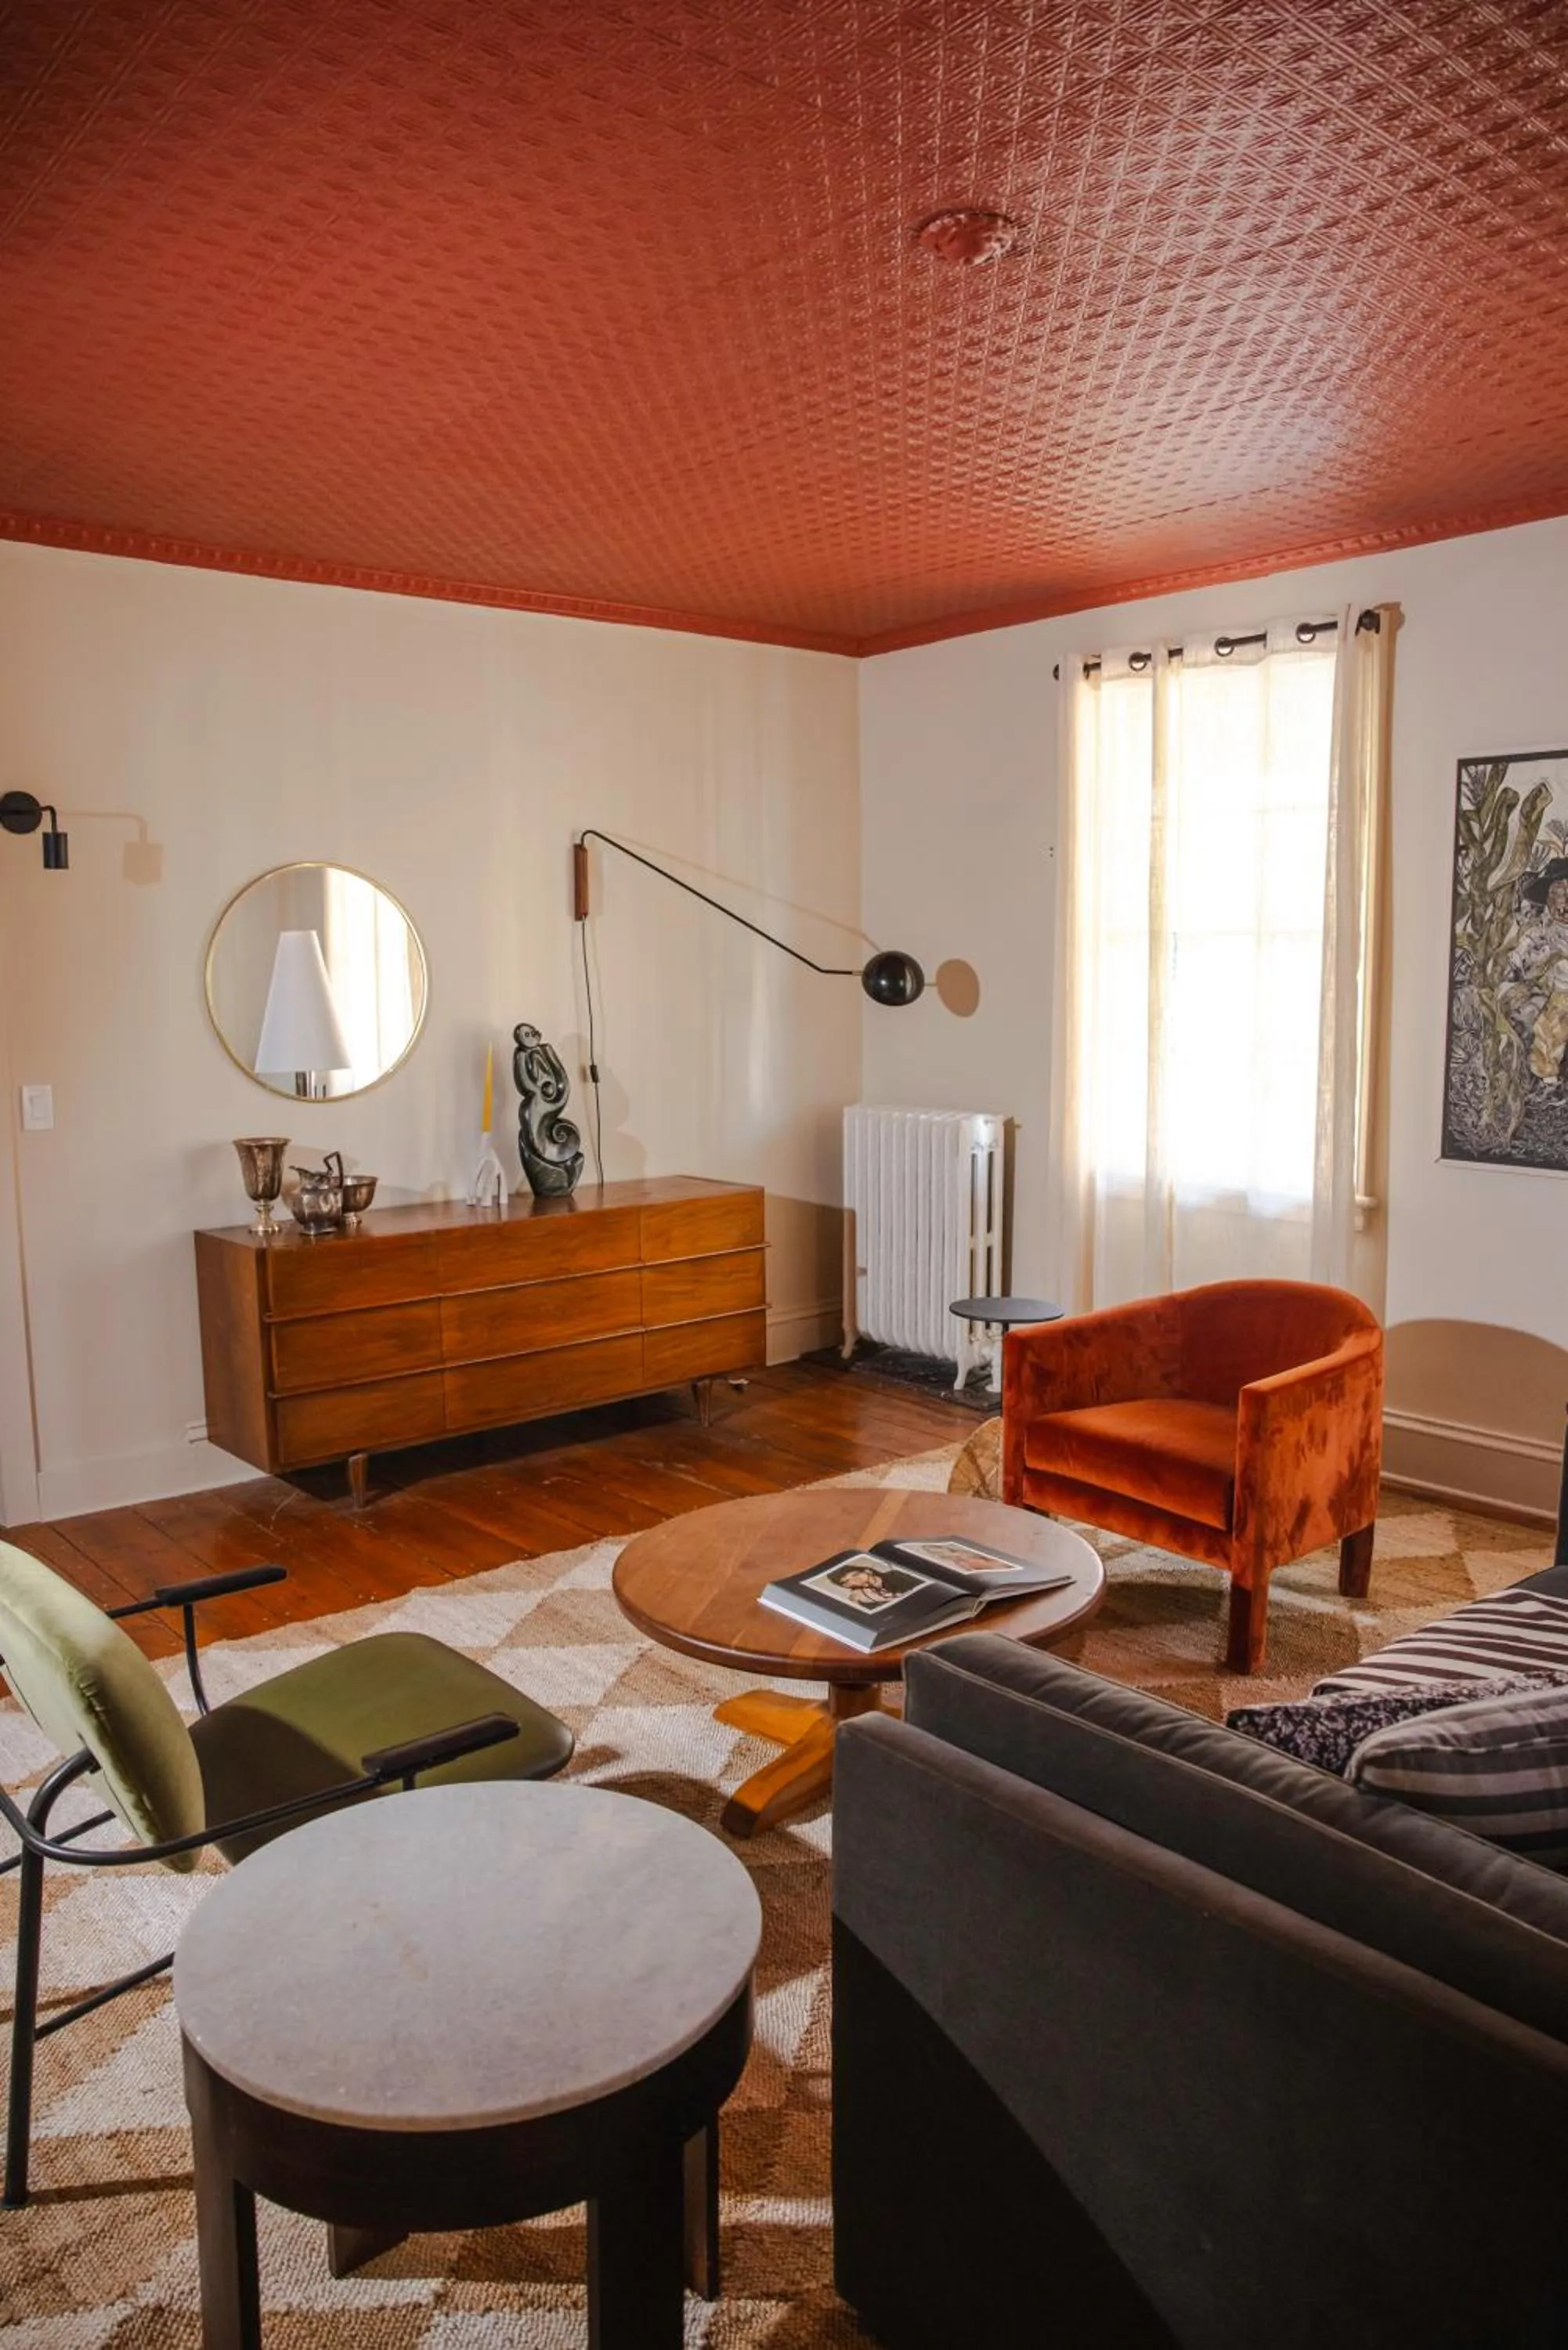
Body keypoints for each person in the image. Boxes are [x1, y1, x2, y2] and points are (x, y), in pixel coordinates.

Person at [1508, 859, 1568, 1085]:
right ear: (1548, 900)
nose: (1564, 900)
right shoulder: (1542, 931)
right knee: (1549, 1032)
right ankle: (1548, 1077)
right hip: (1558, 997)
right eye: (1558, 892)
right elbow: (1522, 952)